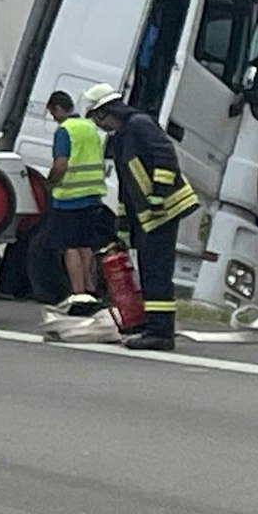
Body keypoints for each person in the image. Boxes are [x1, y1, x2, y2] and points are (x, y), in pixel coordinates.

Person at [83, 83, 198, 351]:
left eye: (95, 118)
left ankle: (161, 334)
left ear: (104, 112)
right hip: (148, 215)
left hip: (165, 210)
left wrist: (158, 194)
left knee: (156, 272)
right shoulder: (123, 135)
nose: (97, 125)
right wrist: (123, 223)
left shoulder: (139, 125)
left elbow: (165, 156)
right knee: (149, 270)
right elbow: (127, 183)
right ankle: (154, 326)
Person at [44, 90, 114, 310]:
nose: (54, 118)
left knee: (70, 247)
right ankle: (90, 292)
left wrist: (50, 183)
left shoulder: (64, 131)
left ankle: (77, 294)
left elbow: (60, 165)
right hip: (93, 195)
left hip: (69, 198)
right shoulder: (89, 128)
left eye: (52, 113)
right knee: (86, 246)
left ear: (57, 108)